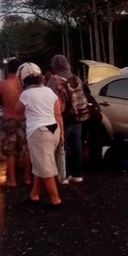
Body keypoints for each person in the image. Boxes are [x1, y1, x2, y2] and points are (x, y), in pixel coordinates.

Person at [15, 62, 64, 207]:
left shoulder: (26, 94)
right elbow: (58, 114)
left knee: (46, 168)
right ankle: (34, 195)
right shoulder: (50, 92)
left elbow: (17, 111)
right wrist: (62, 133)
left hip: (38, 133)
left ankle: (56, 200)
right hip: (54, 130)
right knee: (40, 165)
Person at [46, 54, 87, 184]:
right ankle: (78, 174)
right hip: (77, 115)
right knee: (77, 145)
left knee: (61, 146)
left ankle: (63, 175)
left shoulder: (54, 80)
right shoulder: (76, 78)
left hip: (61, 116)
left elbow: (48, 97)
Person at [0, 58, 32, 186]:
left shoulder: (2, 84)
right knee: (26, 149)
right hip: (24, 119)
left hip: (9, 119)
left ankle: (12, 180)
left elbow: (0, 100)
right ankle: (27, 178)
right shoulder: (24, 85)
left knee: (10, 151)